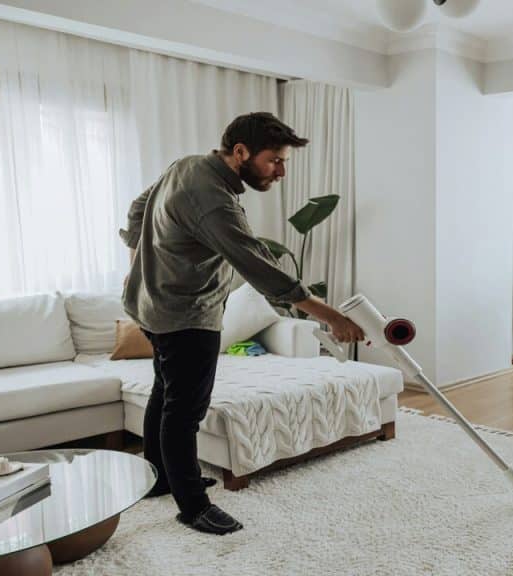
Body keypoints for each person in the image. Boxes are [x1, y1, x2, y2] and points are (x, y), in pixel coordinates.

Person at [120, 112, 365, 535]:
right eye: (275, 160)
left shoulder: (187, 164)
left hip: (150, 306)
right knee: (184, 412)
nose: (281, 172)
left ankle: (160, 478)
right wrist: (334, 318)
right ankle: (193, 507)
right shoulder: (212, 199)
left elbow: (139, 206)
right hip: (186, 317)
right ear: (240, 152)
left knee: (166, 393)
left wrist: (141, 260)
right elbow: (261, 268)